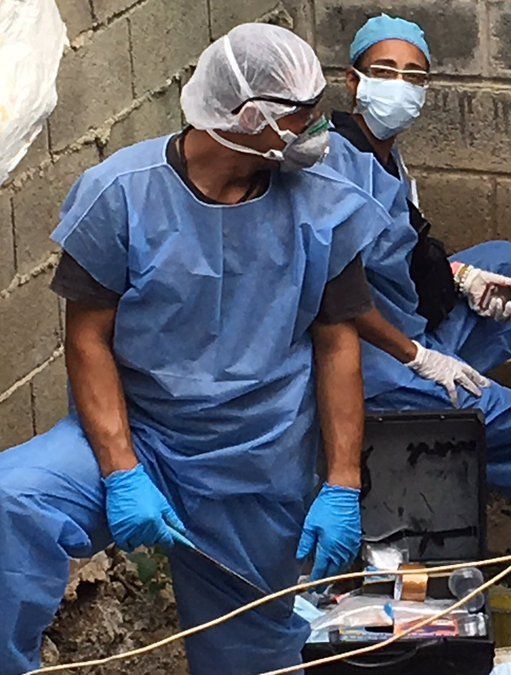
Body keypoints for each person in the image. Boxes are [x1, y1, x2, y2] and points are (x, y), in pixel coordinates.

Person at [0, 24, 382, 672]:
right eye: (303, 115)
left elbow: (337, 344)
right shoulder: (121, 195)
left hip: (255, 459)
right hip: (139, 433)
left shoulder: (323, 208)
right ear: (250, 117)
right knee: (15, 500)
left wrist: (342, 481)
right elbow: (88, 339)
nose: (318, 129)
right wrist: (122, 471)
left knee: (250, 654)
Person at [320, 15, 511, 576]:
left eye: (414, 76)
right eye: (384, 71)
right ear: (354, 81)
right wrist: (419, 358)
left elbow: (403, 253)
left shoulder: (383, 154)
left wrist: (462, 278)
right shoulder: (336, 165)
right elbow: (336, 297)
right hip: (376, 365)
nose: (400, 86)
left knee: (510, 264)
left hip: (407, 323)